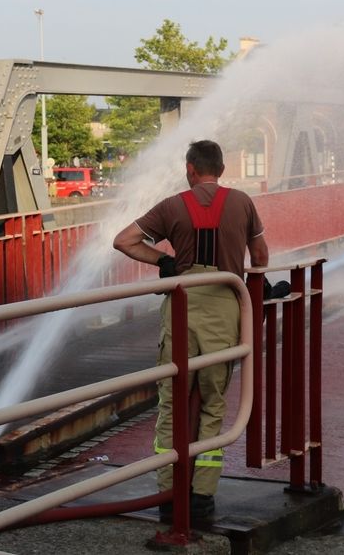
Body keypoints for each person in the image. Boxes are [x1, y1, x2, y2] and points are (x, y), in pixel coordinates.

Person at [113, 139, 269, 520]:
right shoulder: (242, 202)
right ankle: (202, 495)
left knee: (173, 402)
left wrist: (165, 261)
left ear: (190, 169)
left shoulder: (171, 206)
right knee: (213, 403)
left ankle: (168, 491)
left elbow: (123, 241)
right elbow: (261, 257)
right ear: (222, 169)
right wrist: (254, 295)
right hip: (225, 303)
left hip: (183, 305)